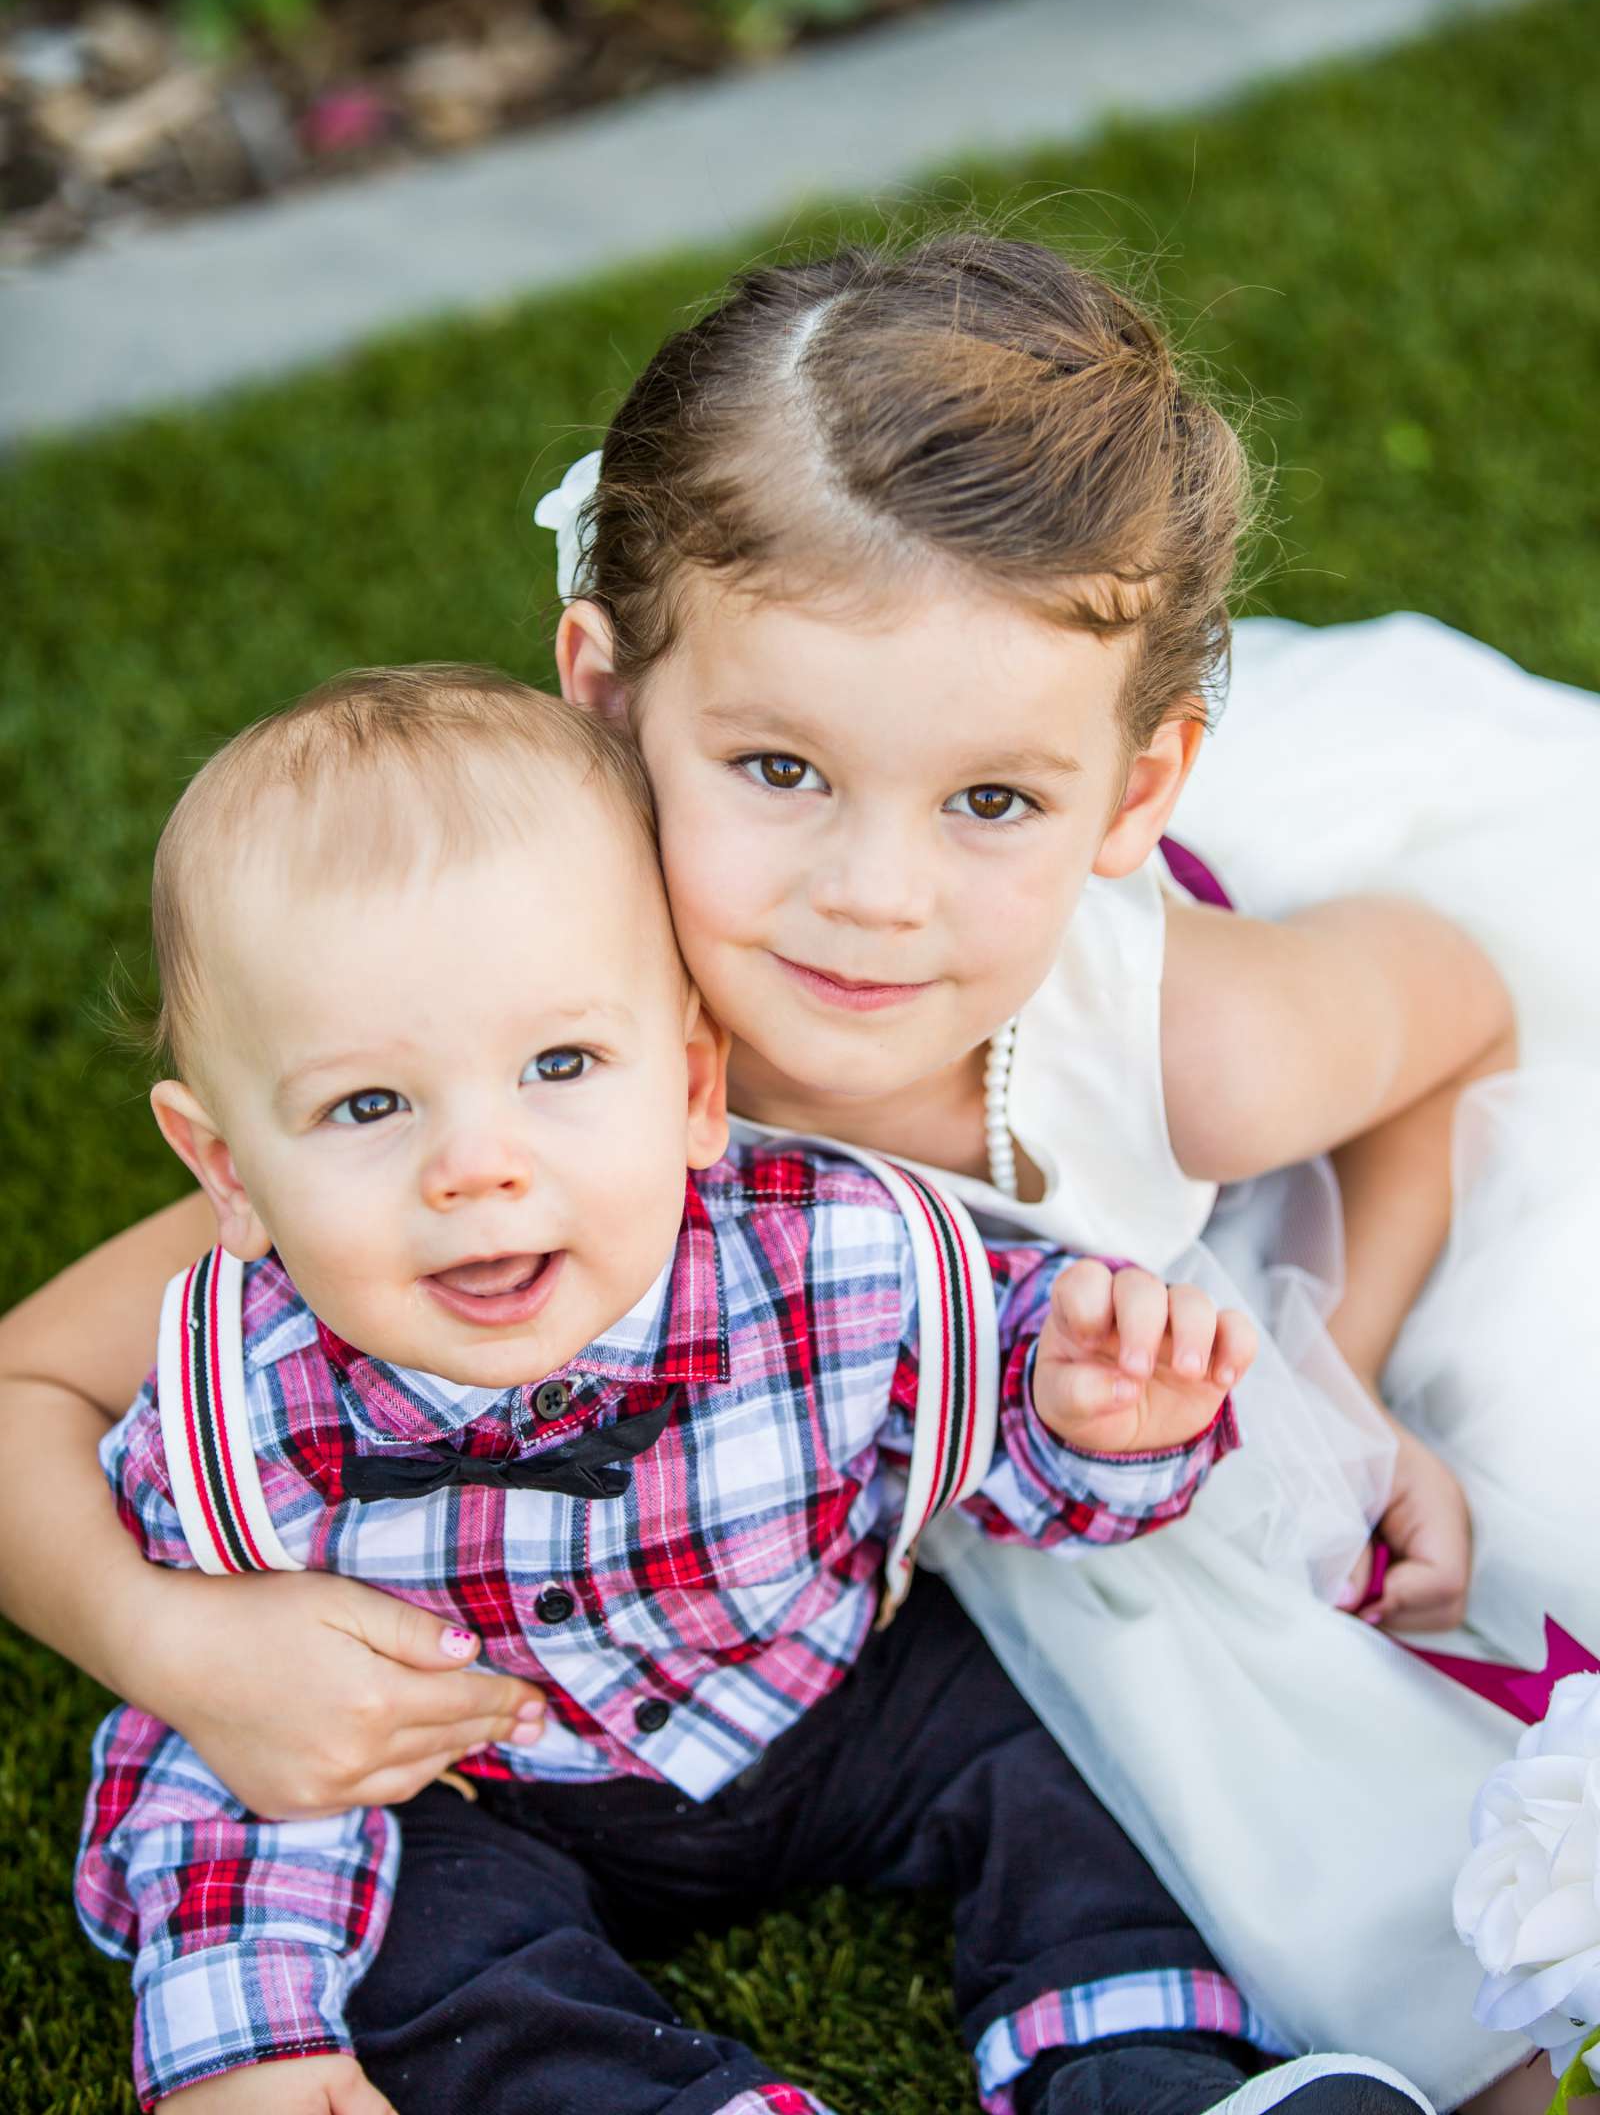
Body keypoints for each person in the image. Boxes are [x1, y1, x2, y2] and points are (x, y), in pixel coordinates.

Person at [5, 233, 1590, 2104]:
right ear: (607, 691)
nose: (872, 896)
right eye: (776, 769)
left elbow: (1472, 1012)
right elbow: (37, 1374)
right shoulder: (505, 1070)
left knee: (1298, 1767)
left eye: (990, 800)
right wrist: (173, 1639)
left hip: (1063, 1380)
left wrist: (1344, 1350)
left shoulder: (1204, 1050)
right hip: (814, 1494)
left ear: (1130, 797)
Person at [75, 662, 1419, 2115]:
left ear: (698, 1084)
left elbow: (1008, 1429)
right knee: (423, 1958)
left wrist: (1094, 1416)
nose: (476, 1165)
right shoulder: (235, 1411)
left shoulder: (830, 1250)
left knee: (1059, 1760)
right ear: (225, 1168)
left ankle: (1144, 2074)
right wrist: (247, 2034)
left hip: (827, 1682)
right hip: (487, 1787)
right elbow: (237, 1738)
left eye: (562, 1063)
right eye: (369, 1106)